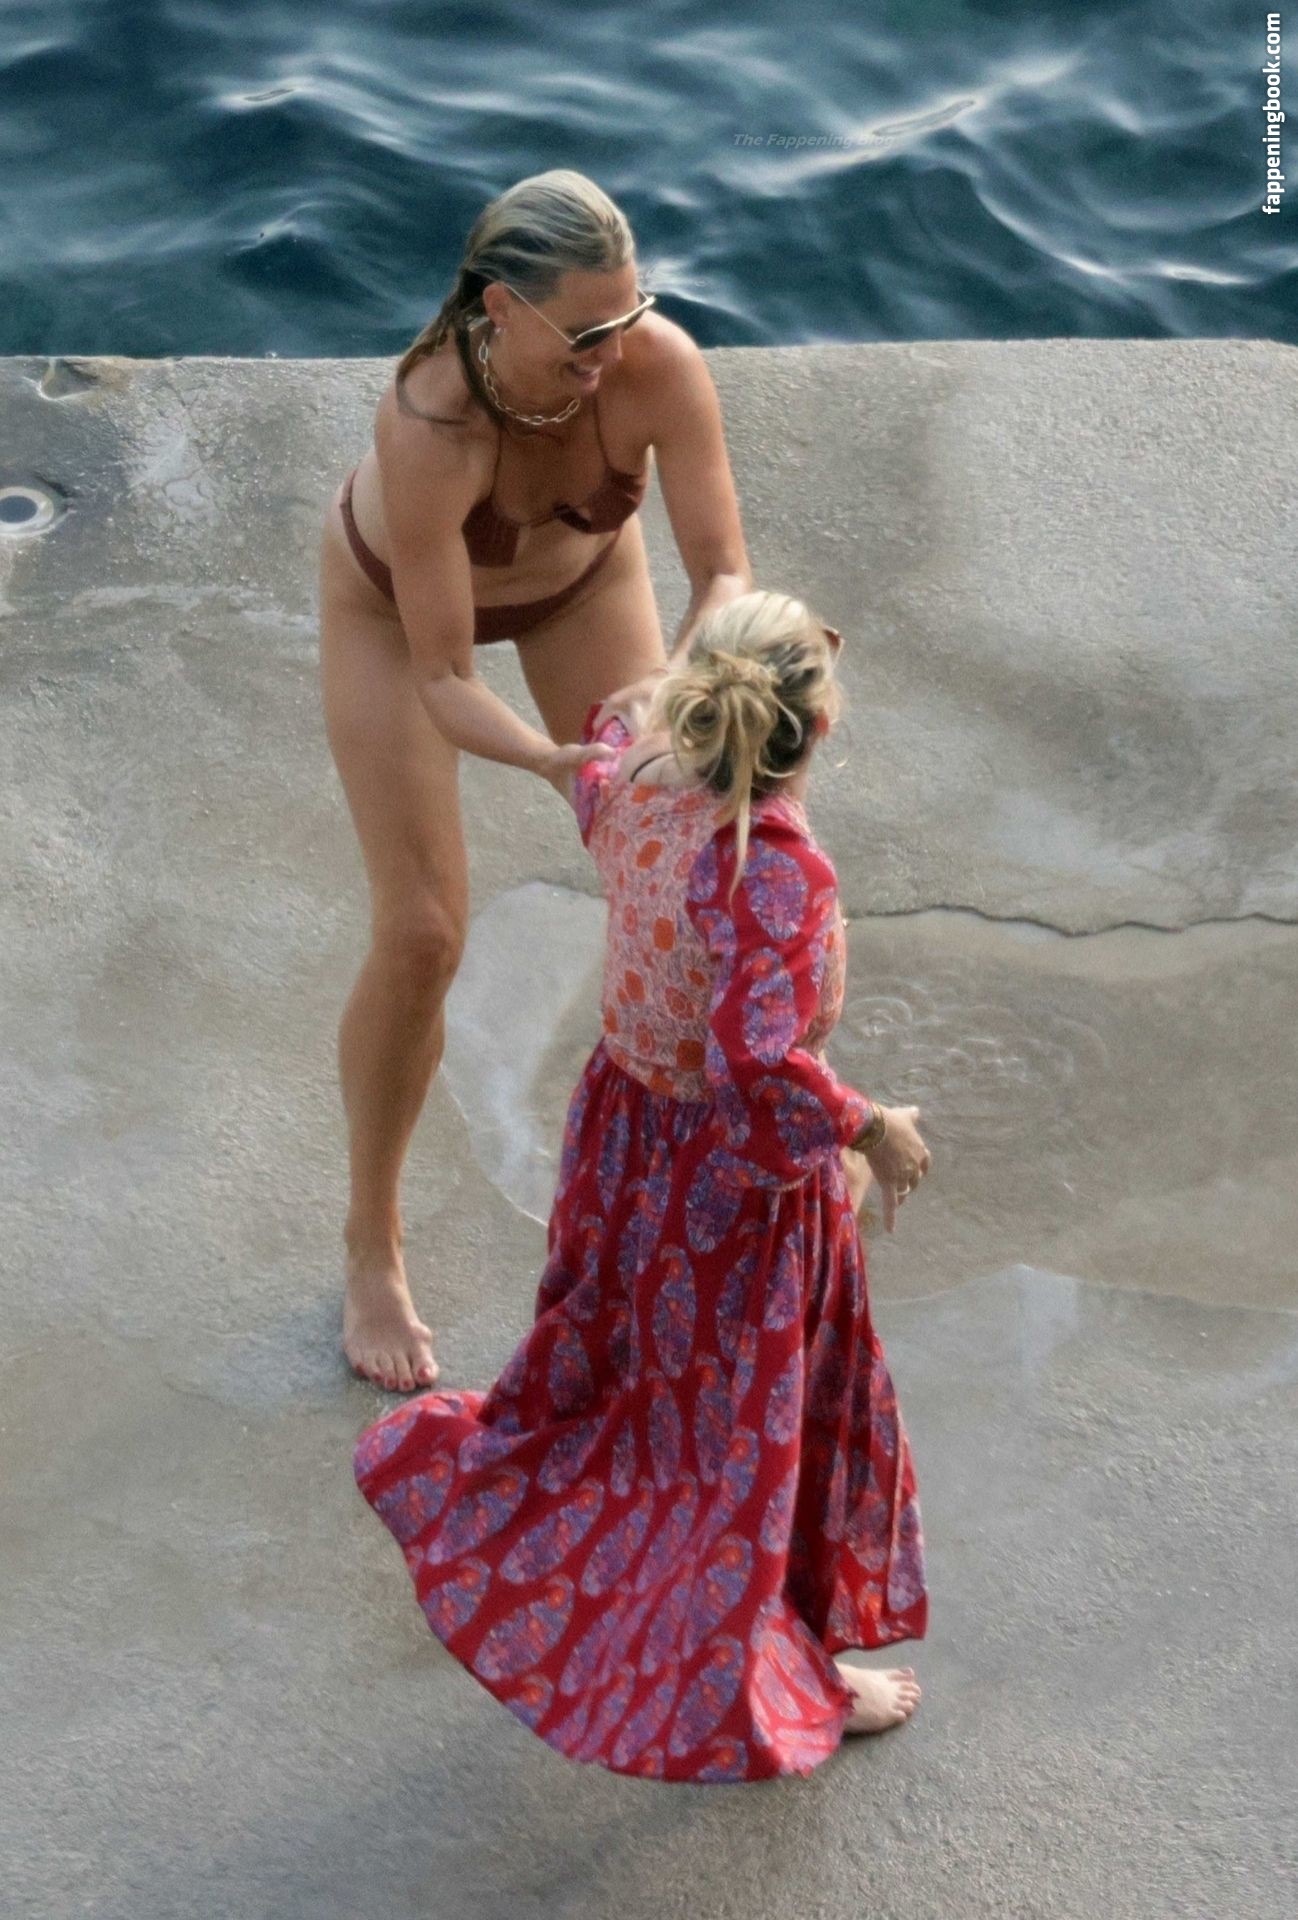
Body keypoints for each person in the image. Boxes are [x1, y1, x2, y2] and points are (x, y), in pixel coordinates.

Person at [353, 592, 932, 1783]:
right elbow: (755, 1062)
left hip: (622, 1145)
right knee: (739, 1432)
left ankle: (579, 1569)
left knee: (629, 1392)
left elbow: (608, 733)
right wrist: (870, 1128)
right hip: (730, 1193)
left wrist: (632, 715)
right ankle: (776, 1671)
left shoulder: (628, 783)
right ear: (817, 727)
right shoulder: (774, 870)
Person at [318, 169, 755, 1396]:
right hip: (397, 622)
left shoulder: (654, 365)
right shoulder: (429, 423)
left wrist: (666, 701)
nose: (611, 355)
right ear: (500, 308)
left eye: (629, 318)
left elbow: (722, 571)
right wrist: (555, 761)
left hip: (582, 590)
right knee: (421, 933)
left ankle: (717, 1206)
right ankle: (370, 1239)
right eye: (583, 334)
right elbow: (446, 676)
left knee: (697, 888)